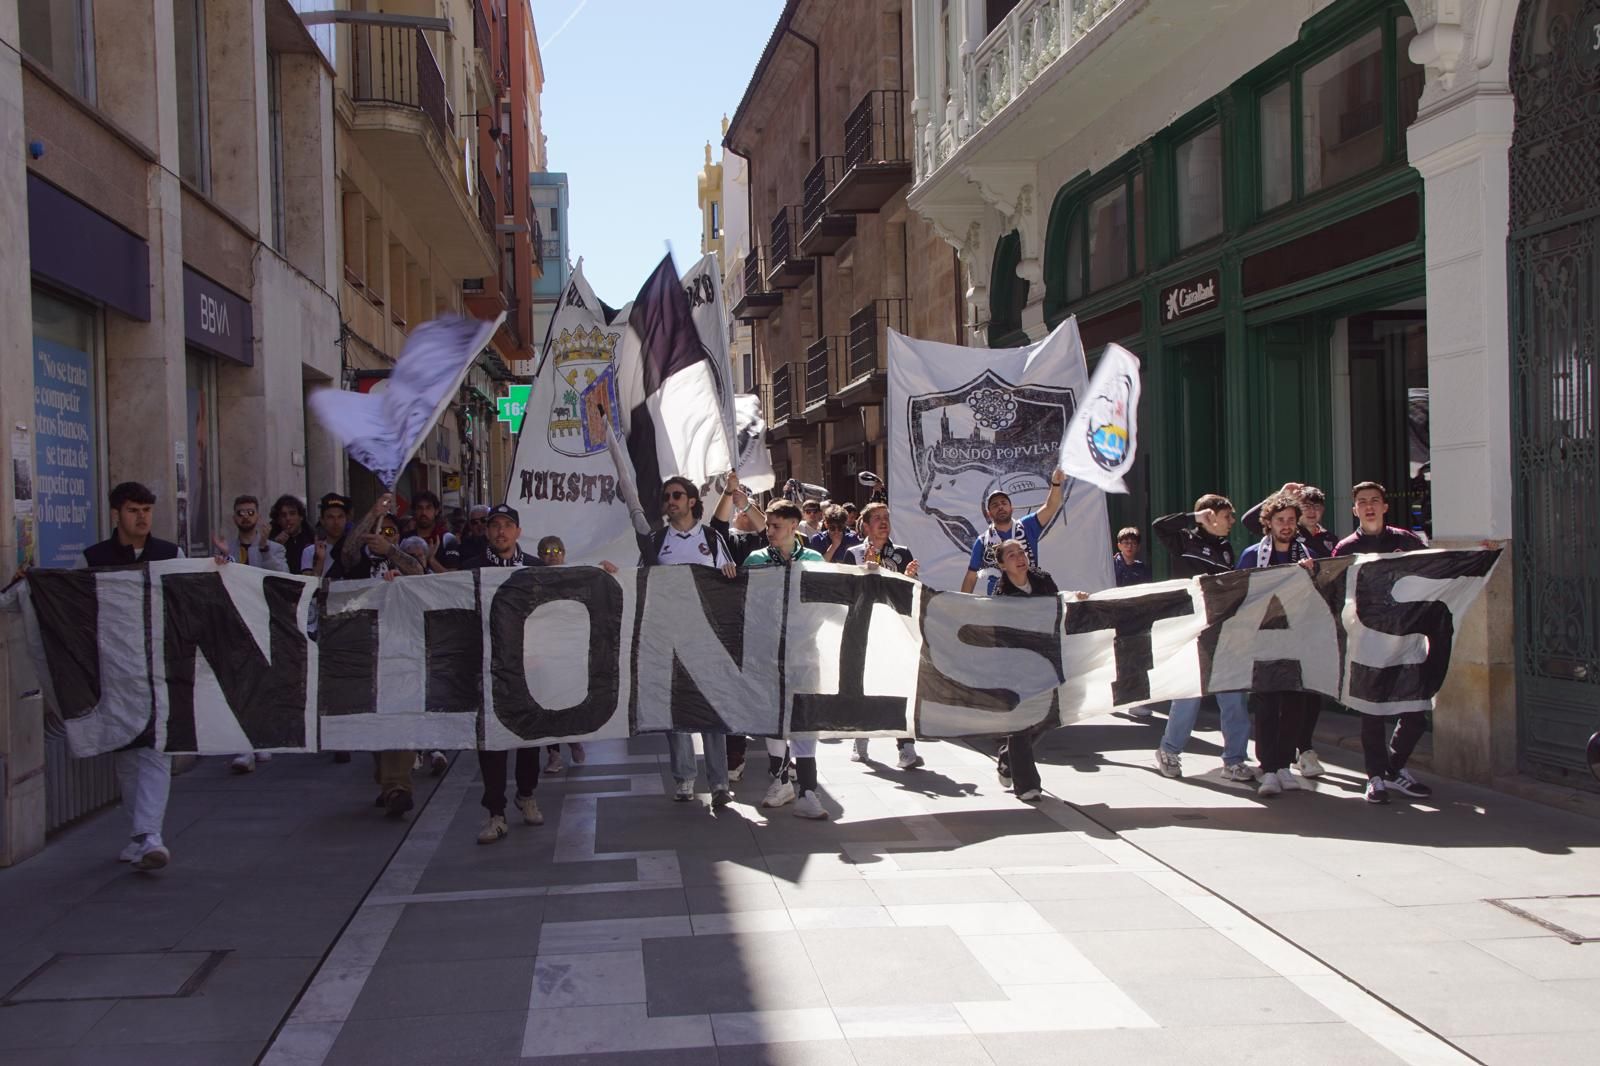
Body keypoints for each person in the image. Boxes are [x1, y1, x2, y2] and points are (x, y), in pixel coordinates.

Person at [82, 482, 181, 870]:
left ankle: (150, 835)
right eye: (133, 510)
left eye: (146, 509)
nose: (141, 517)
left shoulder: (170, 553)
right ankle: (139, 836)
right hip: (115, 668)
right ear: (115, 514)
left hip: (159, 665)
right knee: (126, 755)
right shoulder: (94, 557)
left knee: (157, 748)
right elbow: (76, 606)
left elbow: (193, 595)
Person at [1332, 481, 1434, 806]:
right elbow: (1335, 591)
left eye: (1375, 500)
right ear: (1355, 510)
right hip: (1367, 640)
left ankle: (1395, 766)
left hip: (1407, 638)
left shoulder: (1406, 540)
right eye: (1362, 502)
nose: (1369, 506)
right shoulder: (1346, 548)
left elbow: (1436, 572)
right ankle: (1375, 777)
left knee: (1416, 710)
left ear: (1385, 505)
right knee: (1371, 712)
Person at [638, 476, 736, 804]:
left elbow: (729, 578)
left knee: (712, 708)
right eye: (667, 496)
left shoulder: (711, 537)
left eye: (677, 495)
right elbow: (642, 583)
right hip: (669, 638)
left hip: (707, 638)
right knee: (675, 708)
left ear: (692, 501)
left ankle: (720, 782)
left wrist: (729, 575)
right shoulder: (655, 541)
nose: (671, 501)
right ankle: (684, 778)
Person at [1151, 494, 1256, 784]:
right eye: (1227, 516)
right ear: (1209, 516)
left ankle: (1234, 760)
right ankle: (1169, 750)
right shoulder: (1184, 540)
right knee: (1188, 695)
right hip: (1191, 632)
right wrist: (1193, 518)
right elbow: (1159, 526)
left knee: (1233, 697)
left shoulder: (1225, 549)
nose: (1232, 522)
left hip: (1223, 631)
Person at [464, 504, 547, 842]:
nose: (500, 531)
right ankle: (495, 812)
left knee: (529, 738)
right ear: (486, 532)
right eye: (494, 525)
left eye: (507, 525)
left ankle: (526, 794)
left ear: (518, 532)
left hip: (530, 669)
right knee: (492, 742)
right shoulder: (471, 569)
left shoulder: (535, 568)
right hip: (489, 668)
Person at [741, 500, 828, 818]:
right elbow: (744, 602)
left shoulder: (815, 559)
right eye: (768, 525)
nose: (769, 531)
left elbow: (830, 602)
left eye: (776, 526)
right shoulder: (755, 559)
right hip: (767, 654)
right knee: (773, 719)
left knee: (805, 721)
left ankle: (807, 791)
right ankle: (779, 781)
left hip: (805, 654)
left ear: (795, 525)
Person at [990, 540, 1085, 802]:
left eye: (1021, 552)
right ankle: (1027, 785)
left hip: (1048, 660)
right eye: (1011, 555)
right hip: (1018, 669)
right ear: (1002, 565)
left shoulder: (1043, 580)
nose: (1019, 558)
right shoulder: (1002, 596)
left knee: (1049, 717)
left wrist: (1075, 599)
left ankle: (1009, 757)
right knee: (1021, 723)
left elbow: (1057, 606)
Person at [1236, 493, 1318, 797]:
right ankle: (1268, 768)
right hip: (1264, 641)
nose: (1286, 525)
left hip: (1296, 640)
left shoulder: (1305, 554)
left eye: (1291, 521)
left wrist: (1313, 575)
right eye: (1280, 520)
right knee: (1267, 705)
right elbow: (1240, 595)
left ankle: (1284, 765)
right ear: (1268, 523)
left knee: (1294, 704)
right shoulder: (1251, 555)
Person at [845, 502, 925, 769]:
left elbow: (910, 594)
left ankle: (906, 746)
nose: (883, 522)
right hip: (863, 628)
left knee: (901, 685)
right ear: (865, 526)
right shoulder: (853, 554)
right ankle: (860, 737)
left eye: (886, 518)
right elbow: (845, 593)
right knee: (862, 684)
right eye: (876, 518)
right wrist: (865, 573)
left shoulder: (902, 553)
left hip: (895, 629)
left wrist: (908, 577)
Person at [220, 494, 288, 774]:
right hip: (236, 622)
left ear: (258, 516)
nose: (245, 516)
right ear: (234, 517)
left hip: (263, 619)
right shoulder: (228, 548)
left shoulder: (273, 548)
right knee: (240, 682)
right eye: (240, 512)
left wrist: (263, 548)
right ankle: (244, 745)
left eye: (250, 511)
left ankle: (260, 737)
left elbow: (281, 577)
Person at [532, 534, 601, 773]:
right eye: (548, 552)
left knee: (568, 699)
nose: (553, 556)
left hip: (568, 651)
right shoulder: (533, 579)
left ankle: (573, 739)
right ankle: (553, 754)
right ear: (541, 556)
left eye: (557, 551)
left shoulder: (573, 577)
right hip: (543, 650)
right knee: (546, 703)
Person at [961, 469, 1068, 595]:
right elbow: (971, 577)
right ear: (989, 514)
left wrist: (1055, 483)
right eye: (995, 505)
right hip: (999, 602)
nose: (1000, 507)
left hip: (1031, 596)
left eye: (1003, 503)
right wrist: (963, 608)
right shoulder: (982, 541)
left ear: (1011, 508)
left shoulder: (1027, 525)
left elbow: (1050, 507)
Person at [302, 493, 352, 578]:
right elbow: (308, 587)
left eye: (340, 517)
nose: (336, 522)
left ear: (346, 519)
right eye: (330, 517)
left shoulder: (353, 549)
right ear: (322, 520)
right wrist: (320, 561)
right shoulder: (310, 552)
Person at [412, 490, 461, 571]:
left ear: (436, 511)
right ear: (414, 511)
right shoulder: (405, 538)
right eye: (420, 508)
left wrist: (431, 560)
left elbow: (452, 577)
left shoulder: (448, 539)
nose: (424, 512)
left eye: (428, 508)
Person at [269, 495, 315, 577]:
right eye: (283, 515)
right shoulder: (272, 541)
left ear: (301, 517)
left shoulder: (312, 538)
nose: (288, 518)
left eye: (292, 514)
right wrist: (276, 546)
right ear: (278, 520)